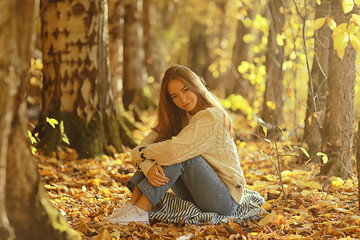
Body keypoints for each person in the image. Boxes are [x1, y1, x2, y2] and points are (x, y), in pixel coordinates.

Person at [105, 65, 247, 225]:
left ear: (195, 85)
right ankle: (132, 207)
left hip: (224, 199)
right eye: (175, 96)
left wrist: (138, 155)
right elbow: (147, 143)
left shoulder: (211, 116)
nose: (183, 99)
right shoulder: (179, 116)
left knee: (180, 153)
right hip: (195, 193)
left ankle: (140, 212)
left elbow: (172, 151)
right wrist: (148, 166)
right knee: (162, 147)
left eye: (186, 90)